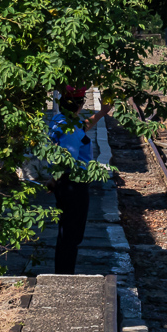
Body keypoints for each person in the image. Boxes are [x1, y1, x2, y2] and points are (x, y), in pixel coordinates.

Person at [46, 86, 112, 275]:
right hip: (73, 183)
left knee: (66, 230)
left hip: (64, 183)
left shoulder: (60, 120)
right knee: (72, 233)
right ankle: (65, 275)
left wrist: (102, 113)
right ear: (80, 104)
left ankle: (64, 272)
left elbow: (83, 127)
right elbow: (68, 158)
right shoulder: (70, 128)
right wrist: (54, 178)